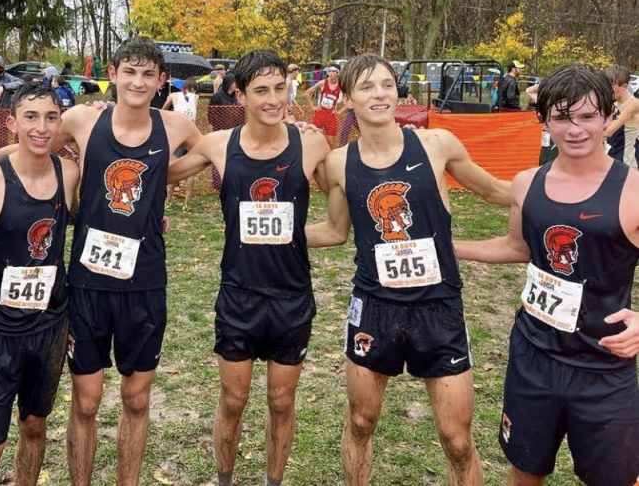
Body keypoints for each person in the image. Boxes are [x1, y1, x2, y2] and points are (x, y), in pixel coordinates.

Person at [0, 37, 201, 486]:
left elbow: (216, 152)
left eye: (148, 74)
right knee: (86, 402)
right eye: (129, 71)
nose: (138, 81)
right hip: (88, 284)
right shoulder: (82, 120)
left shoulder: (175, 128)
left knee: (136, 398)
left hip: (145, 282)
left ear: (160, 81)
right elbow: (30, 143)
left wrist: (292, 130)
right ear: (112, 74)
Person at [306, 53, 511, 486]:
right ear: (348, 99)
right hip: (375, 306)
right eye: (366, 87)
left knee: (456, 439)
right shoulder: (340, 163)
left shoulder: (436, 145)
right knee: (361, 421)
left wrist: (563, 188)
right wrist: (275, 234)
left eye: (386, 84)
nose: (379, 94)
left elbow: (496, 190)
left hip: (438, 307)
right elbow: (334, 230)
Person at [455, 64, 639, 486]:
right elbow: (518, 248)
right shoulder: (526, 184)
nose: (575, 130)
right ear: (544, 121)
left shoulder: (633, 190)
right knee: (525, 469)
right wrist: (452, 248)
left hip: (603, 366)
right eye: (562, 117)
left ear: (609, 117)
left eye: (587, 116)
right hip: (533, 357)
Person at [168, 51, 331, 486]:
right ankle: (225, 479)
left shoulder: (311, 143)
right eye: (261, 90)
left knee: (281, 401)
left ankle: (273, 481)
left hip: (292, 296)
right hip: (239, 295)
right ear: (239, 94)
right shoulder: (219, 144)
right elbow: (160, 175)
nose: (274, 99)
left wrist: (298, 233)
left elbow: (345, 199)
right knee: (234, 398)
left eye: (280, 88)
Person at [0, 83, 80, 486]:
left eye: (50, 117)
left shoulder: (69, 173)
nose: (41, 127)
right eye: (30, 117)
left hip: (49, 328)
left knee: (34, 429)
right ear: (11, 123)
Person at [163, 77, 199, 209]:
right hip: (192, 134)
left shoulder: (173, 95)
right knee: (191, 172)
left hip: (178, 135)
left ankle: (169, 201)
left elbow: (163, 109)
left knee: (172, 166)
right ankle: (186, 204)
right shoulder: (196, 97)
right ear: (194, 88)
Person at [604, 65, 639, 169]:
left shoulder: (634, 104)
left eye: (611, 86)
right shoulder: (614, 105)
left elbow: (609, 131)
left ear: (624, 86)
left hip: (629, 161)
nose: (608, 90)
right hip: (613, 157)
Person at [304, 65, 343, 147]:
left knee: (330, 141)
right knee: (313, 137)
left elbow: (350, 100)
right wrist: (312, 106)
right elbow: (307, 93)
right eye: (329, 71)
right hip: (320, 113)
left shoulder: (341, 85)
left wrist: (339, 111)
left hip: (331, 115)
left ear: (338, 73)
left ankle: (326, 157)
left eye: (333, 71)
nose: (331, 73)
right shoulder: (322, 83)